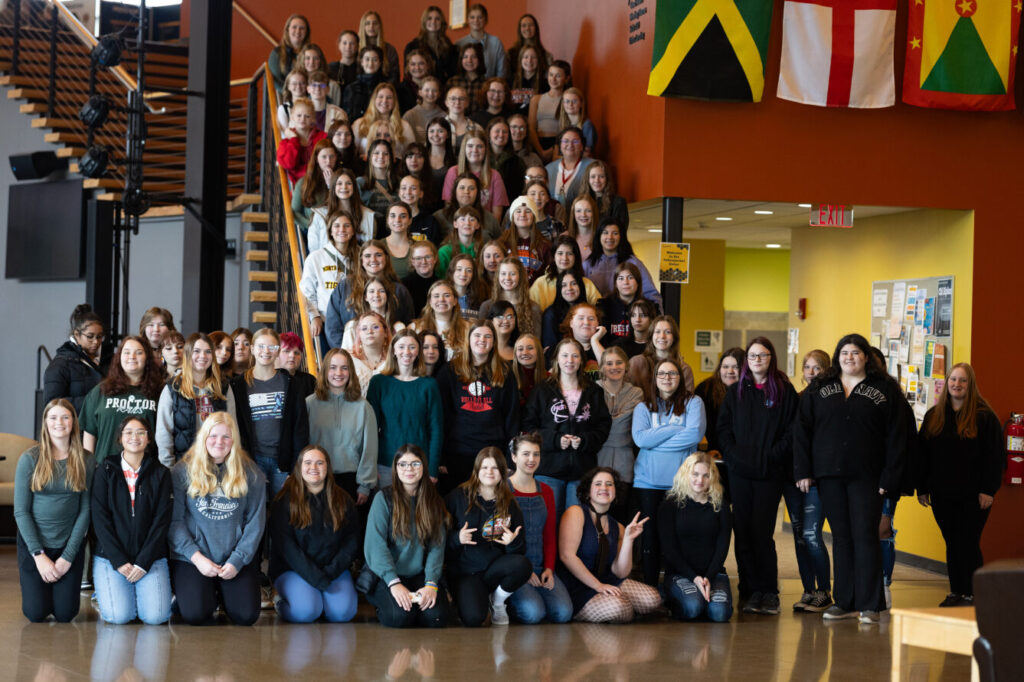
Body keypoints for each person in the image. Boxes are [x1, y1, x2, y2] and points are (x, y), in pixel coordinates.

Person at [794, 333, 907, 625]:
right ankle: (845, 601)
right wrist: (803, 471)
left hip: (868, 477)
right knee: (841, 538)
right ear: (837, 356)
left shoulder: (885, 389)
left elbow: (898, 437)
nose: (850, 357)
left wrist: (890, 478)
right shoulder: (821, 388)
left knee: (865, 535)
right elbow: (802, 431)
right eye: (845, 352)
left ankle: (870, 603)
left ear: (866, 356)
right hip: (829, 475)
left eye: (856, 352)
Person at [717, 337, 797, 616]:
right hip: (740, 472)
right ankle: (749, 590)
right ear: (746, 361)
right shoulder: (736, 392)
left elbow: (792, 432)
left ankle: (769, 592)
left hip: (769, 472)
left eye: (762, 355)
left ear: (771, 358)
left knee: (762, 533)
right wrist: (734, 457)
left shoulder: (785, 391)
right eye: (752, 356)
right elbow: (723, 431)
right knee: (743, 532)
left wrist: (771, 456)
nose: (757, 360)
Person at [917, 363, 1003, 607]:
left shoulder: (985, 417)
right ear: (947, 383)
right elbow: (922, 455)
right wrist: (922, 487)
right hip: (942, 494)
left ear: (971, 385)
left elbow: (994, 457)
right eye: (953, 379)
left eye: (962, 380)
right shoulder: (935, 416)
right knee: (952, 542)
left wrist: (988, 489)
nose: (957, 384)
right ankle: (957, 591)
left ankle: (974, 593)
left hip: (974, 496)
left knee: (968, 541)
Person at [169, 412, 266, 626]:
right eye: (213, 436)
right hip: (194, 559)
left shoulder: (252, 473)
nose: (219, 442)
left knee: (246, 616)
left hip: (233, 558)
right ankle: (197, 593)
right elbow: (174, 523)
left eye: (226, 437)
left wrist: (237, 560)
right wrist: (197, 559)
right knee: (196, 614)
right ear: (203, 438)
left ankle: (222, 592)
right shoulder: (181, 471)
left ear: (234, 441)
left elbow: (255, 523)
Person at [14, 399, 95, 622]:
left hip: (69, 545)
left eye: (65, 417)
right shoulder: (29, 459)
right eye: (53, 417)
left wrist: (68, 557)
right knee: (36, 613)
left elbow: (85, 509)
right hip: (35, 546)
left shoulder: (86, 460)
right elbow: (21, 512)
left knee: (66, 614)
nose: (59, 422)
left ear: (73, 423)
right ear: (45, 423)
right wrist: (39, 556)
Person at [90, 416, 173, 625]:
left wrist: (144, 563)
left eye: (140, 432)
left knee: (156, 617)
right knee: (120, 616)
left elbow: (161, 522)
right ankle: (113, 597)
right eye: (128, 432)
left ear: (148, 439)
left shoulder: (161, 473)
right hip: (112, 558)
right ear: (120, 438)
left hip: (150, 558)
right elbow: (100, 520)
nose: (134, 437)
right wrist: (118, 560)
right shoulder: (105, 470)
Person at [631, 357, 706, 586]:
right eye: (662, 374)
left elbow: (693, 435)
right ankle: (651, 589)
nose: (667, 378)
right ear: (654, 379)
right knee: (650, 540)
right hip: (648, 483)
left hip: (681, 484)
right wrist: (675, 429)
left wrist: (655, 443)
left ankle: (678, 591)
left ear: (680, 378)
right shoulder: (643, 406)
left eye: (672, 374)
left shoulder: (694, 403)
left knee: (677, 539)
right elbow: (640, 438)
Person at [557, 467, 662, 623]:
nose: (604, 488)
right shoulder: (576, 512)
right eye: (598, 484)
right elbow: (567, 556)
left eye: (609, 484)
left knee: (653, 599)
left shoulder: (617, 526)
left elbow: (620, 573)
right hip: (577, 584)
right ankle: (601, 607)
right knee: (620, 608)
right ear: (588, 491)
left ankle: (612, 605)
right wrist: (598, 586)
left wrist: (628, 540)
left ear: (616, 492)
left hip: (606, 580)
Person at [362, 445, 450, 628]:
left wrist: (431, 584)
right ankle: (385, 604)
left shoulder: (434, 501)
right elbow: (375, 545)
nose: (408, 469)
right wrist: (394, 583)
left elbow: (437, 546)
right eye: (402, 464)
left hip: (419, 574)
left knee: (436, 618)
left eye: (415, 463)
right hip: (387, 575)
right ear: (395, 469)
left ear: (424, 467)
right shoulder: (383, 498)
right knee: (399, 618)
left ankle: (413, 607)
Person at [270, 445, 360, 623]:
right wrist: (317, 579)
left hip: (333, 570)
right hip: (294, 570)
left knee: (343, 614)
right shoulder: (284, 501)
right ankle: (280, 601)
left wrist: (330, 573)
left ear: (328, 467)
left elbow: (352, 541)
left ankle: (321, 599)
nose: (314, 468)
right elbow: (288, 549)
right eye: (308, 462)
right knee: (307, 612)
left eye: (320, 463)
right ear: (299, 467)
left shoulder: (343, 500)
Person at [524, 337, 612, 516]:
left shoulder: (593, 391)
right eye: (565, 355)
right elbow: (528, 427)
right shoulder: (542, 390)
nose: (570, 361)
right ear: (556, 359)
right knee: (548, 522)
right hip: (549, 470)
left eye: (575, 356)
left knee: (577, 523)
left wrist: (585, 440)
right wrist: (556, 440)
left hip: (582, 471)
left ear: (581, 360)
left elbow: (603, 426)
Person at [446, 448, 532, 626]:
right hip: (465, 572)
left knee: (522, 565)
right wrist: (457, 538)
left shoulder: (509, 503)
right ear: (477, 470)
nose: (489, 472)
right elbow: (438, 539)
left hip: (493, 570)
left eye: (495, 468)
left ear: (503, 472)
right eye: (485, 467)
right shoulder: (457, 497)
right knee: (474, 619)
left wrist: (512, 543)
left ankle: (498, 601)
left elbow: (520, 549)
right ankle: (470, 598)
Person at [437, 321, 520, 487]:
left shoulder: (504, 372)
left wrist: (510, 459)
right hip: (457, 454)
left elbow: (512, 417)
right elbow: (441, 416)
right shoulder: (450, 371)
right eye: (477, 335)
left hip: (492, 454)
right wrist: (441, 457)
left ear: (494, 342)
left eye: (488, 336)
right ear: (469, 339)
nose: (482, 340)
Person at [230, 328, 310, 497]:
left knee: (282, 513)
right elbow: (237, 427)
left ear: (278, 351)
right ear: (252, 349)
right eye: (260, 346)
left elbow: (300, 428)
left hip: (283, 462)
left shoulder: (292, 384)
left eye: (272, 347)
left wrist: (296, 467)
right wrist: (245, 463)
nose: (266, 352)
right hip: (252, 460)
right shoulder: (238, 385)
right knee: (255, 513)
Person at [781, 349, 833, 612]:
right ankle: (808, 591)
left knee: (812, 535)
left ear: (828, 371)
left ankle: (824, 591)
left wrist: (808, 473)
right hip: (792, 479)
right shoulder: (797, 399)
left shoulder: (834, 401)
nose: (812, 373)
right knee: (799, 537)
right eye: (808, 368)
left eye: (818, 368)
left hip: (815, 481)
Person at [507, 433, 574, 623]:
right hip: (515, 568)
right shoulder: (504, 489)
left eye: (536, 454)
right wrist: (523, 572)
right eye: (525, 454)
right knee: (533, 614)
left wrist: (549, 569)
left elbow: (549, 534)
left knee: (563, 613)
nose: (531, 459)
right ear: (514, 457)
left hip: (540, 565)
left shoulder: (546, 490)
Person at [658, 453, 733, 622]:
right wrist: (694, 578)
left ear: (712, 478)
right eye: (695, 474)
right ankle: (674, 597)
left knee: (720, 614)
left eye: (706, 475)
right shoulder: (670, 504)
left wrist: (708, 577)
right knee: (693, 608)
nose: (700, 480)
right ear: (686, 474)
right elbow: (669, 550)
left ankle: (705, 600)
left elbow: (723, 547)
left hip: (713, 574)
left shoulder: (720, 505)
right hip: (680, 574)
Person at [367, 330, 444, 485]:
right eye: (401, 347)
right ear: (394, 351)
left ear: (418, 352)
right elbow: (370, 429)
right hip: (386, 463)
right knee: (388, 508)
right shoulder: (378, 383)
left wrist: (433, 468)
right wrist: (370, 466)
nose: (406, 352)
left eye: (412, 347)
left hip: (420, 464)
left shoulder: (429, 385)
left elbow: (436, 430)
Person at [306, 348, 378, 503]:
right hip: (316, 476)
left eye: (344, 368)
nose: (338, 373)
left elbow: (369, 449)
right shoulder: (309, 404)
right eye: (333, 367)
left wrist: (365, 485)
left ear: (350, 372)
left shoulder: (363, 407)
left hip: (351, 480)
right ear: (325, 371)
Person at [156, 332, 234, 468]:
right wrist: (169, 467)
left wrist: (230, 463)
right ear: (187, 354)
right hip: (184, 465)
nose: (203, 356)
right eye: (196, 351)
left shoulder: (223, 387)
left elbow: (233, 428)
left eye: (208, 352)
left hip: (217, 465)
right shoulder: (172, 388)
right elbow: (164, 433)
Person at [80, 335, 162, 463]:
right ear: (119, 358)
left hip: (145, 472)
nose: (132, 357)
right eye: (127, 352)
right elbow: (90, 433)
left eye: (138, 353)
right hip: (105, 471)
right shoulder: (100, 391)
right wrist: (89, 468)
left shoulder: (159, 392)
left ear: (147, 358)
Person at [324, 240, 416, 347]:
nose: (373, 259)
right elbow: (332, 328)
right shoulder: (345, 286)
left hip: (390, 356)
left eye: (378, 255)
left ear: (386, 258)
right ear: (361, 260)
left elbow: (408, 325)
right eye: (367, 256)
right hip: (352, 354)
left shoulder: (399, 290)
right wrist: (347, 356)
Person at [594, 347, 644, 518]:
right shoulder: (593, 391)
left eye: (618, 362)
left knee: (620, 515)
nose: (614, 367)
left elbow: (612, 426)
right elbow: (612, 426)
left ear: (626, 366)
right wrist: (619, 419)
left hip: (625, 461)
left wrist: (604, 422)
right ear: (602, 367)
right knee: (597, 515)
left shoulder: (636, 393)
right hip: (597, 458)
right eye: (609, 363)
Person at [300, 209, 359, 352]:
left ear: (352, 230)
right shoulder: (316, 257)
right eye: (337, 226)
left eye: (347, 225)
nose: (342, 230)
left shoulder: (361, 256)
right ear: (330, 231)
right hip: (326, 321)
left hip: (355, 322)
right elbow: (307, 292)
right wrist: (314, 317)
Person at [693, 347, 745, 501]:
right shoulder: (705, 389)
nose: (729, 371)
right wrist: (709, 450)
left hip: (740, 458)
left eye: (735, 367)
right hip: (712, 457)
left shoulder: (749, 392)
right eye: (725, 366)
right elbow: (699, 424)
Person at [585, 218, 662, 309]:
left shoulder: (633, 263)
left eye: (615, 233)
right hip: (596, 316)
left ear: (621, 237)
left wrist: (657, 316)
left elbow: (651, 294)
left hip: (628, 316)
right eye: (605, 233)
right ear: (599, 236)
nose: (610, 237)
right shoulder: (588, 264)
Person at [43, 304, 104, 415]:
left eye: (99, 336)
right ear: (76, 334)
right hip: (75, 430)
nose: (96, 342)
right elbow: (51, 405)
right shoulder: (60, 365)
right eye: (90, 336)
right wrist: (94, 402)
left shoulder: (109, 359)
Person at [442, 131, 509, 223]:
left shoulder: (494, 176)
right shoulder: (453, 172)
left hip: (485, 229)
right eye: (470, 146)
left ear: (486, 150)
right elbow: (449, 209)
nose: (475, 150)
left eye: (480, 146)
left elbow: (496, 217)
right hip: (457, 228)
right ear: (464, 149)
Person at [309, 169, 379, 252]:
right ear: (333, 187)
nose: (344, 187)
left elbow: (370, 247)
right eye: (339, 183)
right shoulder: (321, 214)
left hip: (358, 262)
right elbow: (313, 248)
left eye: (348, 183)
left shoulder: (368, 215)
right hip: (328, 264)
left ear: (354, 187)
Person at [628, 315, 696, 396]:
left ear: (674, 337)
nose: (662, 336)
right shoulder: (636, 363)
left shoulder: (684, 369)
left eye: (667, 332)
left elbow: (687, 402)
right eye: (657, 332)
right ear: (651, 336)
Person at [529, 235, 601, 310]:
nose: (564, 258)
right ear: (553, 256)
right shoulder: (540, 284)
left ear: (575, 257)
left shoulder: (587, 284)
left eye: (569, 253)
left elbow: (599, 311)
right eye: (560, 253)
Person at [479, 256, 543, 337]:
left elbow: (536, 342)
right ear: (498, 276)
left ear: (520, 277)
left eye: (512, 274)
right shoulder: (486, 307)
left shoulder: (533, 308)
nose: (507, 278)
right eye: (503, 273)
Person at [546, 302, 607, 380]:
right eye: (581, 318)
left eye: (591, 319)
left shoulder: (605, 349)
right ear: (571, 323)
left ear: (598, 323)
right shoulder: (556, 350)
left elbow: (610, 372)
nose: (586, 323)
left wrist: (594, 341)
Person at [499, 195, 551, 285]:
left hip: (534, 295)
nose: (523, 215)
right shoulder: (501, 243)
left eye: (528, 211)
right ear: (512, 216)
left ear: (534, 216)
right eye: (518, 211)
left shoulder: (545, 245)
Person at [353, 83, 415, 157]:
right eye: (380, 97)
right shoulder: (359, 124)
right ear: (374, 99)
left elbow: (412, 152)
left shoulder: (404, 126)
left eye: (389, 97)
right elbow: (352, 151)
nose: (385, 101)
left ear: (394, 101)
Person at [291, 139, 337, 238]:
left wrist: (331, 186)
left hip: (336, 231)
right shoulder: (304, 182)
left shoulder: (342, 180)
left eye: (332, 156)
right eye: (324, 157)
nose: (328, 161)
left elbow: (342, 206)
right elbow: (294, 212)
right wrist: (311, 226)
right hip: (312, 232)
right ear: (317, 158)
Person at [409, 280, 470, 354]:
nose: (441, 299)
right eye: (436, 296)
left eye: (447, 295)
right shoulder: (415, 328)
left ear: (455, 301)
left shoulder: (468, 328)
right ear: (430, 302)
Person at [277, 98, 328, 185]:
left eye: (307, 116)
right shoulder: (285, 143)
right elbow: (289, 164)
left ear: (313, 119)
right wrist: (294, 139)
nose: (302, 119)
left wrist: (300, 171)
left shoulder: (323, 137)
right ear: (292, 117)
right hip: (298, 187)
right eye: (299, 115)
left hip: (320, 183)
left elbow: (325, 164)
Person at [404, 5, 458, 83]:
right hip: (421, 90)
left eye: (437, 19)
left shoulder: (450, 47)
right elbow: (407, 75)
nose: (433, 22)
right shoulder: (412, 46)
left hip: (445, 89)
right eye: (429, 18)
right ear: (424, 22)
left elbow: (454, 74)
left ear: (442, 23)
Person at [529, 62, 570, 160]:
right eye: (551, 75)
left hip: (560, 145)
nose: (553, 79)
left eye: (558, 76)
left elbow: (569, 127)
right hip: (538, 145)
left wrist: (554, 149)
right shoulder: (536, 99)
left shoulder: (568, 100)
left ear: (567, 79)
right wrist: (541, 152)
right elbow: (531, 128)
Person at [547, 128, 593, 210]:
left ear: (582, 146)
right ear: (560, 146)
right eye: (566, 141)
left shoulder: (592, 167)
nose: (570, 144)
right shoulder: (548, 169)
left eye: (575, 141)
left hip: (581, 218)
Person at [457, 4, 507, 79]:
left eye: (480, 17)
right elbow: (458, 71)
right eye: (472, 17)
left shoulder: (496, 43)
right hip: (466, 87)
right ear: (467, 20)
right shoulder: (460, 44)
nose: (476, 20)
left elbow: (502, 72)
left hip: (491, 87)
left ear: (486, 20)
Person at [541, 271, 584, 351]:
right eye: (564, 285)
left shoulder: (588, 310)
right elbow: (550, 349)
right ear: (559, 289)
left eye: (574, 283)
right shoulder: (551, 314)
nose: (569, 288)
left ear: (580, 286)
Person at [342, 46, 387, 122]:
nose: (370, 63)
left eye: (375, 60)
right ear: (361, 62)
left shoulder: (386, 88)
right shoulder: (351, 88)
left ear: (380, 63)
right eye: (367, 59)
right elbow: (346, 116)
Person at [579, 160, 629, 229]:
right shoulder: (580, 202)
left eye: (601, 176)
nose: (597, 180)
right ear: (588, 179)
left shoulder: (618, 202)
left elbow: (620, 232)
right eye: (593, 177)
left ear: (607, 179)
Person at [358, 139, 401, 217]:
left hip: (394, 227)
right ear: (370, 157)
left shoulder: (400, 182)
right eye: (376, 153)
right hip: (370, 227)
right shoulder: (359, 183)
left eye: (386, 153)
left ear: (391, 157)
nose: (381, 156)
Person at [357, 10, 401, 84]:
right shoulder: (356, 48)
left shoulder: (390, 50)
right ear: (363, 27)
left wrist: (381, 92)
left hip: (385, 92)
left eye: (375, 23)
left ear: (379, 26)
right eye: (367, 23)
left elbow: (395, 77)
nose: (371, 26)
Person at [269, 14, 309, 87]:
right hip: (287, 95)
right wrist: (292, 93)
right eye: (294, 27)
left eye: (302, 28)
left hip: (311, 94)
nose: (298, 31)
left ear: (306, 32)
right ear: (287, 30)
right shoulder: (277, 53)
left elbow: (319, 77)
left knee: (332, 85)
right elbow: (275, 81)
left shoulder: (311, 52)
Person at [403, 74, 443, 144]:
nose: (430, 93)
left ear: (439, 94)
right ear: (420, 92)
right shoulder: (410, 115)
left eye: (434, 90)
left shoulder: (444, 116)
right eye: (427, 90)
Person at [402, 240, 440, 313]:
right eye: (418, 258)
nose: (424, 262)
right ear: (412, 261)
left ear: (435, 259)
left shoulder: (442, 285)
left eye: (428, 257)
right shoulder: (403, 285)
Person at [557, 88, 596, 157]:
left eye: (574, 101)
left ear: (581, 104)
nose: (570, 104)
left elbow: (587, 153)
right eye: (567, 101)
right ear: (563, 104)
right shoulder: (563, 124)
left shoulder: (587, 125)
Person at [276, 332, 316, 399]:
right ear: (276, 354)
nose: (292, 356)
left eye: (297, 353)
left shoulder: (310, 380)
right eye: (287, 351)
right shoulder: (268, 380)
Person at [451, 42, 487, 112]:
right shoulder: (453, 82)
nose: (469, 60)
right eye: (465, 57)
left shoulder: (486, 84)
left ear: (479, 59)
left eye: (473, 57)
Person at [511, 334, 545, 406]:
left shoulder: (549, 378)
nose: (525, 353)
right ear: (515, 353)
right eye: (520, 349)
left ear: (538, 352)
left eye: (530, 348)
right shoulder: (509, 378)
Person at [398, 49, 434, 114]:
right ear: (408, 67)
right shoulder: (400, 89)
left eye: (421, 64)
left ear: (428, 65)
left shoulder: (436, 86)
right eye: (413, 64)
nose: (417, 68)